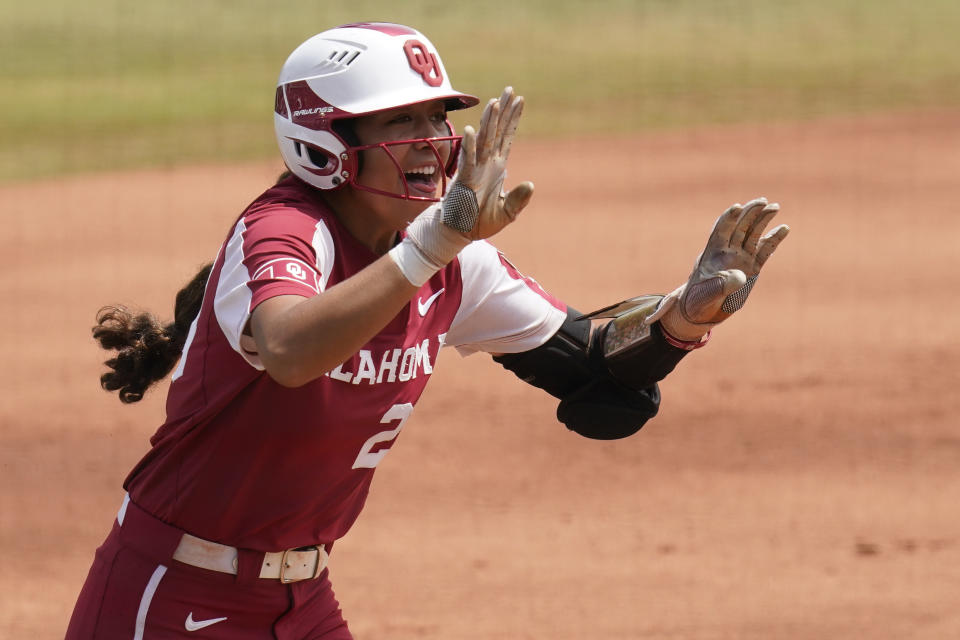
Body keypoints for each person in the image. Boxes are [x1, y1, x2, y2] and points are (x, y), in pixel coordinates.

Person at [65, 22, 789, 640]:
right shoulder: (286, 231)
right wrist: (432, 246)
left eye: (437, 119)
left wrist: (681, 322)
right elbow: (288, 349)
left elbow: (595, 370)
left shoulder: (450, 259)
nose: (431, 142)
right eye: (400, 122)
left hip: (301, 599)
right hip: (172, 595)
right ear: (325, 140)